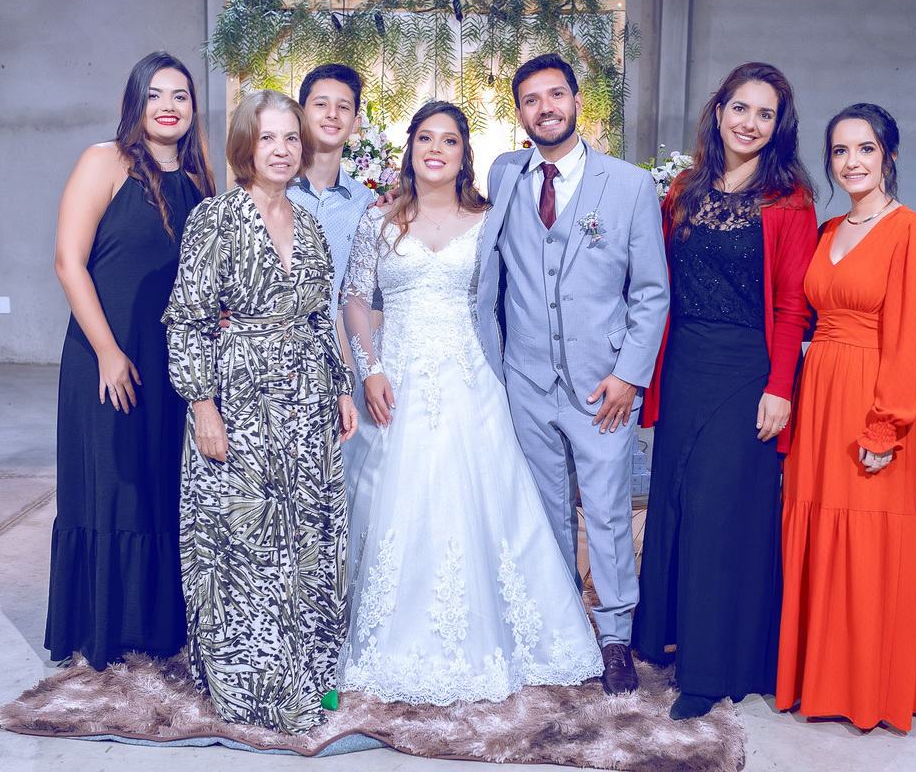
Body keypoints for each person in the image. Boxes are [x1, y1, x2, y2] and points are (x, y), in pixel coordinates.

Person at [339, 101, 603, 705]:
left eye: (449, 140)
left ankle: (501, 639)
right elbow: (355, 298)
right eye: (425, 138)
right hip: (394, 383)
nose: (436, 149)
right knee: (391, 505)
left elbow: (522, 295)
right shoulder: (378, 220)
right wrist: (369, 368)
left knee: (483, 505)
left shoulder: (490, 221)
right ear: (410, 149)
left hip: (470, 380)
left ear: (465, 155)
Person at [162, 90, 358, 733]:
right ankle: (250, 691)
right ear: (246, 145)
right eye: (268, 137)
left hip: (307, 404)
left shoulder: (309, 223)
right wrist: (202, 406)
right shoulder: (215, 218)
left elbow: (320, 316)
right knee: (243, 543)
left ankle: (311, 682)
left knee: (309, 542)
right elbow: (188, 319)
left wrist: (340, 387)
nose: (281, 149)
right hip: (239, 400)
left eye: (291, 138)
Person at [475, 55, 670, 695]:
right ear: (519, 113)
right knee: (544, 508)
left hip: (602, 385)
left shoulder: (630, 185)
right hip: (527, 380)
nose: (546, 108)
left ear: (578, 100)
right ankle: (562, 630)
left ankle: (615, 637)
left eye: (556, 94)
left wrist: (629, 375)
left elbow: (650, 292)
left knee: (608, 512)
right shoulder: (505, 174)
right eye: (531, 100)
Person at [631, 62, 818, 720]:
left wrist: (780, 388)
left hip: (746, 371)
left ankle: (712, 671)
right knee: (677, 501)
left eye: (765, 114)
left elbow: (793, 306)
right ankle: (672, 637)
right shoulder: (684, 189)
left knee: (720, 512)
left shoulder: (789, 202)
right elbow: (652, 280)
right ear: (719, 111)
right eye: (741, 108)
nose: (750, 123)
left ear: (778, 127)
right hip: (683, 365)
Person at [776, 104, 916, 732]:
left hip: (870, 397)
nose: (852, 162)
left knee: (866, 538)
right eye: (840, 151)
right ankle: (814, 679)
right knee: (816, 526)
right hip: (819, 396)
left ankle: (866, 690)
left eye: (865, 149)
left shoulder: (913, 231)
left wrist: (886, 424)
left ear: (888, 156)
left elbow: (913, 338)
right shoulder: (825, 231)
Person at [47, 51, 213, 670]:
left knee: (157, 487)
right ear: (135, 103)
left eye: (180, 96)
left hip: (170, 362)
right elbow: (68, 263)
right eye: (156, 95)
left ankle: (156, 625)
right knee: (112, 488)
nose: (168, 107)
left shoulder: (198, 180)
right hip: (107, 356)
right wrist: (108, 352)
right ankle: (103, 627)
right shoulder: (104, 162)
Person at [288, 63, 378, 326]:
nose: (332, 114)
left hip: (326, 345)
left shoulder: (364, 202)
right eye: (321, 104)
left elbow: (360, 294)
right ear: (300, 114)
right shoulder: (275, 188)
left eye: (343, 107)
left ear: (356, 123)